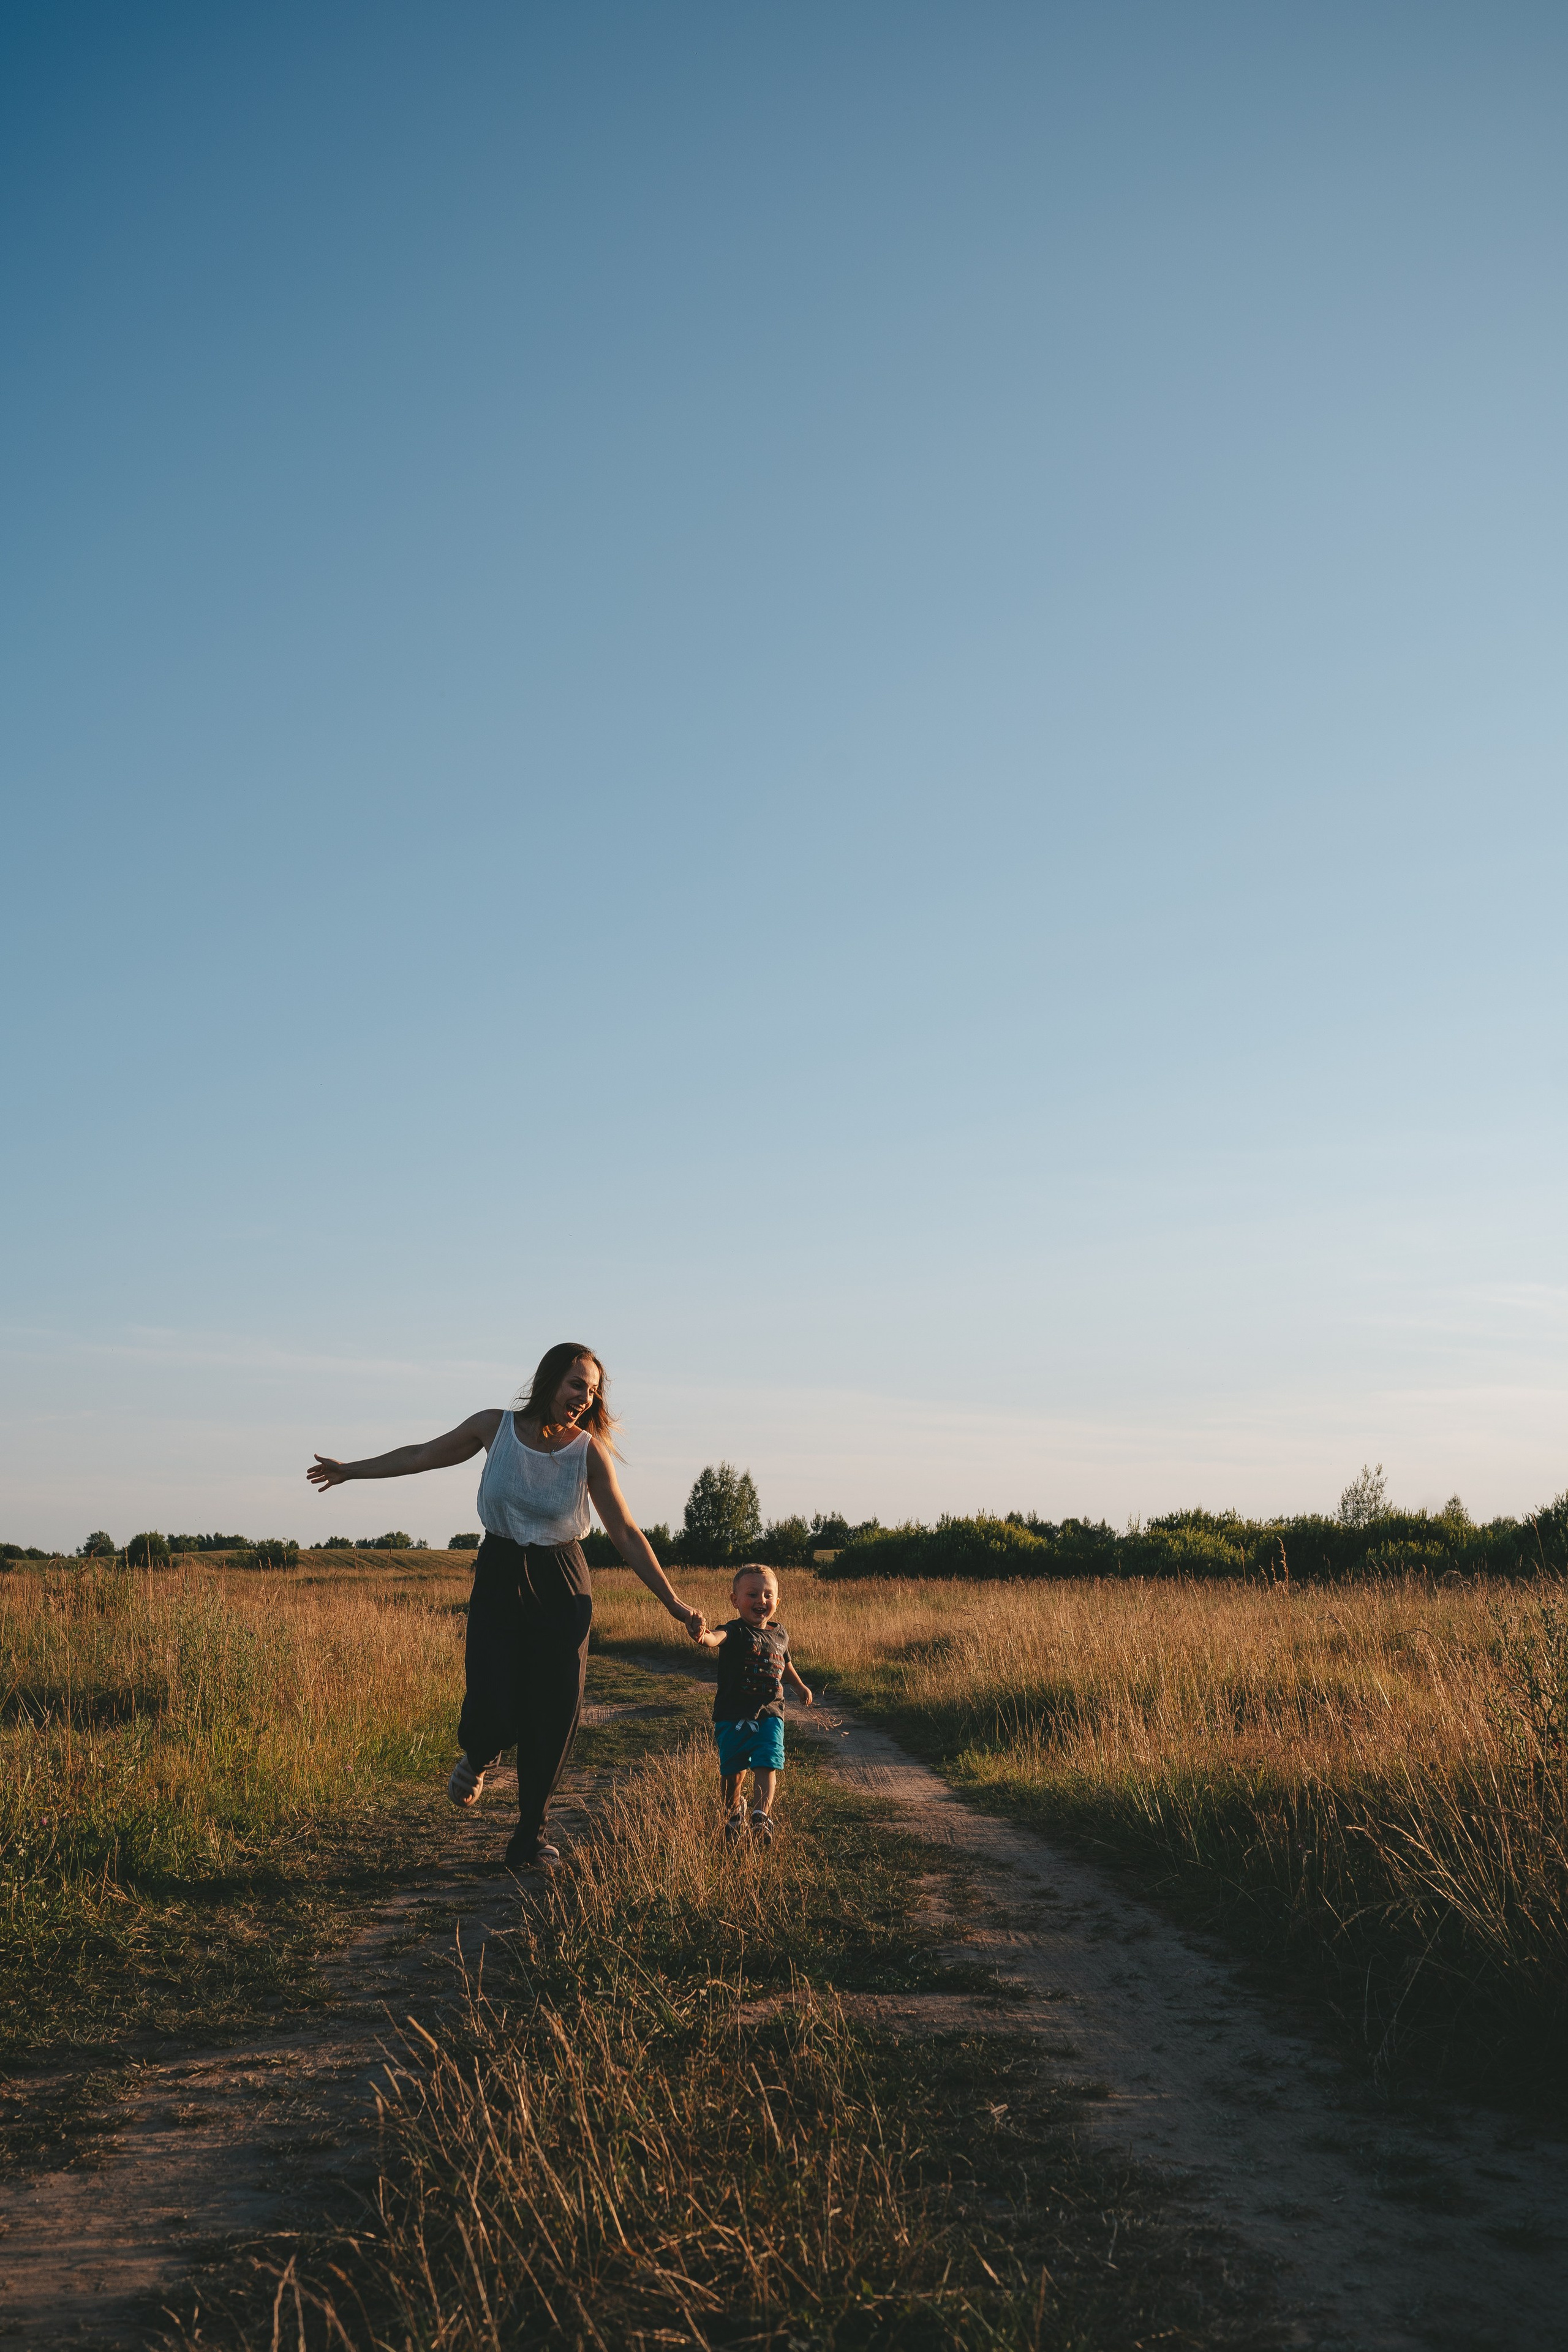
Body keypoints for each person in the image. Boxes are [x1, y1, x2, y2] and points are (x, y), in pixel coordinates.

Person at [307, 1343, 706, 1869]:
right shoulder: (494, 1428)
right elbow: (420, 1455)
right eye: (576, 1385)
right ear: (548, 1381)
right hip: (499, 1571)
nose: (584, 1399)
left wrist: (673, 1602)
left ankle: (529, 1838)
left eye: (591, 1392)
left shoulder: (587, 1453)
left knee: (555, 1709)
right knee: (493, 1695)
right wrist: (351, 1470)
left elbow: (627, 1533)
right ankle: (480, 1753)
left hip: (563, 1581)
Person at [692, 1564, 812, 1846]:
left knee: (767, 1761)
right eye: (753, 1594)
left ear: (777, 1602)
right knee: (732, 1772)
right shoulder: (735, 1630)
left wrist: (798, 1685)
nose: (761, 1600)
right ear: (735, 1600)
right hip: (732, 1714)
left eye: (768, 1595)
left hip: (771, 1712)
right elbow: (715, 1638)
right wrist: (702, 1635)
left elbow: (785, 1663)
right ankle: (734, 1813)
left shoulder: (780, 1634)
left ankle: (760, 1817)